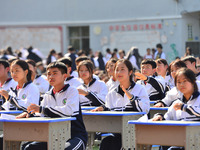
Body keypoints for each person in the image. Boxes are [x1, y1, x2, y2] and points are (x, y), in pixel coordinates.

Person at [18, 62, 87, 150]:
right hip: (53, 135)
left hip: (74, 135)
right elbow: (41, 114)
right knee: (28, 147)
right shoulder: (47, 95)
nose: (51, 77)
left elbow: (69, 111)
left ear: (64, 76)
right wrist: (29, 114)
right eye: (49, 74)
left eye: (55, 73)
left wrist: (41, 110)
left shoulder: (72, 91)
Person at [92, 59, 150, 150]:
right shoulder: (111, 93)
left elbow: (145, 109)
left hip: (136, 132)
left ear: (130, 72)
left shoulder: (140, 89)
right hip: (117, 132)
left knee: (117, 143)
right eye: (117, 69)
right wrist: (104, 109)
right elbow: (110, 113)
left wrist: (131, 97)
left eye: (122, 69)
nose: (119, 72)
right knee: (106, 142)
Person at [152, 68, 200, 150]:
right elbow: (168, 117)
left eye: (185, 81)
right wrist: (160, 116)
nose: (181, 84)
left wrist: (184, 108)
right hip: (181, 140)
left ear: (193, 82)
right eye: (178, 82)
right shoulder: (176, 103)